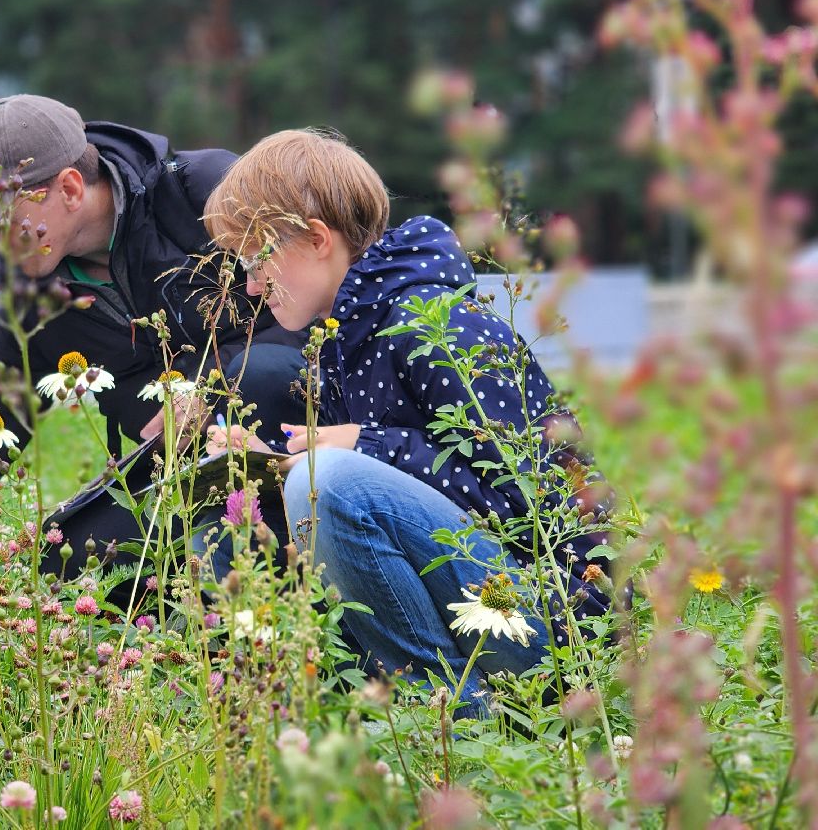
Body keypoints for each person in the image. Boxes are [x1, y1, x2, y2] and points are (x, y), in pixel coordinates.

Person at [201, 128, 610, 710]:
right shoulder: (348, 338)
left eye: (256, 258)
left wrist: (367, 448)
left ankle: (446, 724)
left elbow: (532, 511)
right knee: (227, 503)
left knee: (329, 481)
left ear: (318, 239)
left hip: (559, 624)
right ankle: (273, 712)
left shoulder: (442, 326)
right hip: (481, 607)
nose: (250, 283)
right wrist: (268, 468)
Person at [0, 94, 306, 561]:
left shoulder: (208, 192)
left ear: (68, 188)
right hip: (178, 479)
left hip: (300, 445)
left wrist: (209, 391)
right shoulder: (33, 301)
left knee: (266, 370)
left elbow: (323, 308)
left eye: (3, 221)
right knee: (65, 559)